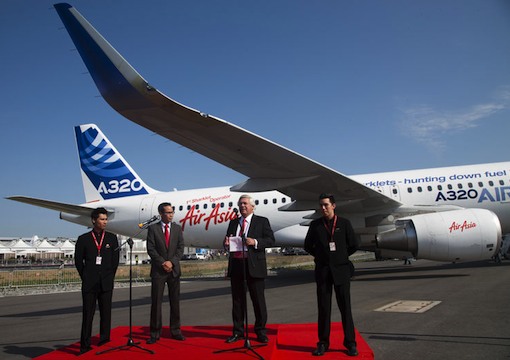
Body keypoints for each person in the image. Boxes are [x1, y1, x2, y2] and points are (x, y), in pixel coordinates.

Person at [304, 194, 359, 357]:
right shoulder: (315, 225)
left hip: (341, 271)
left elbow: (354, 245)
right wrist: (321, 256)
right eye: (321, 205)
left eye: (326, 205)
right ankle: (323, 343)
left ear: (333, 206)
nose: (323, 208)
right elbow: (308, 245)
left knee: (345, 309)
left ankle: (350, 343)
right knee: (323, 309)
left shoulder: (344, 223)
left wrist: (340, 257)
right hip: (323, 272)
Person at [223, 194, 275, 344]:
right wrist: (226, 243)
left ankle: (260, 331)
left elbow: (271, 240)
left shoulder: (261, 221)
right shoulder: (233, 223)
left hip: (254, 266)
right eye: (240, 204)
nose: (242, 206)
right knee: (237, 301)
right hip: (237, 265)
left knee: (258, 301)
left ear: (252, 206)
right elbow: (228, 240)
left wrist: (255, 242)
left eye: (245, 203)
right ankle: (238, 331)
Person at [75, 207, 119, 354]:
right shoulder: (83, 239)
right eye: (102, 219)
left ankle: (104, 340)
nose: (105, 222)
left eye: (106, 219)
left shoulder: (112, 238)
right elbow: (78, 262)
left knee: (106, 313)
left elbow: (115, 261)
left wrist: (109, 276)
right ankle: (85, 344)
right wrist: (86, 276)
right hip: (90, 283)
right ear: (94, 220)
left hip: (106, 282)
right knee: (88, 314)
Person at [146, 202, 185, 344]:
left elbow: (180, 248)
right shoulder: (153, 229)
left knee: (175, 302)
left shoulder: (177, 229)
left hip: (174, 270)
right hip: (158, 271)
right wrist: (163, 262)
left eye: (172, 212)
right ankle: (155, 333)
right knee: (156, 303)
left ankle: (176, 331)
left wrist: (172, 262)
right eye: (168, 212)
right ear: (161, 214)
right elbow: (151, 249)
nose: (170, 215)